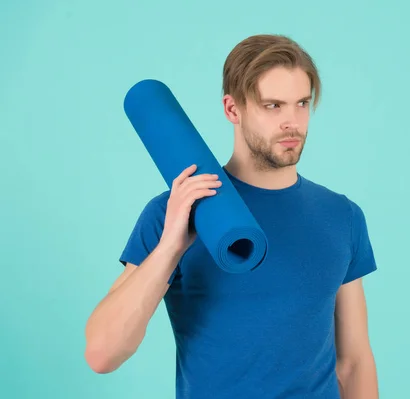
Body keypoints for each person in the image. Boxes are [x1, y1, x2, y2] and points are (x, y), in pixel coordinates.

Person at [84, 34, 379, 399]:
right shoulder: (177, 212)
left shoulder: (342, 216)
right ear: (232, 109)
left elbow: (353, 362)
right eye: (273, 106)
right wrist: (170, 247)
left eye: (301, 103)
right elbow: (102, 354)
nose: (292, 122)